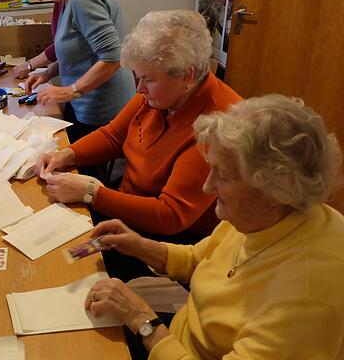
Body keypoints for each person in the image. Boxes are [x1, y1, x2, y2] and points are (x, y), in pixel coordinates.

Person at [83, 95, 344, 359]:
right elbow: (199, 258)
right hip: (179, 337)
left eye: (223, 175)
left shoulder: (306, 298)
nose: (207, 186)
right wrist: (138, 244)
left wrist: (140, 319)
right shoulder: (263, 215)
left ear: (275, 190)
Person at [37, 10, 242, 280]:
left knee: (63, 271)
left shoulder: (217, 125)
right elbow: (112, 136)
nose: (139, 89)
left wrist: (92, 194)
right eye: (138, 77)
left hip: (170, 241)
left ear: (186, 76)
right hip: (126, 210)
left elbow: (170, 216)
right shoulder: (160, 96)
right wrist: (67, 154)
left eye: (149, 79)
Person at [13, 0, 135, 148]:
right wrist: (48, 72)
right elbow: (83, 49)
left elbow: (112, 58)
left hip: (102, 110)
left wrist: (69, 91)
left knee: (85, 171)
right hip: (88, 103)